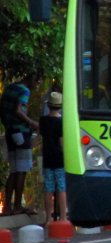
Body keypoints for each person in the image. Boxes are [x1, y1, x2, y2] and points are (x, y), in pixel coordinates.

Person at [0, 75, 40, 216]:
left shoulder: (9, 88)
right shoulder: (24, 91)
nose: (38, 84)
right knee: (22, 170)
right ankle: (17, 206)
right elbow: (19, 110)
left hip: (10, 132)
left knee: (14, 170)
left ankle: (7, 208)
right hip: (22, 133)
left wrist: (8, 126)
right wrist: (31, 123)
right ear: (31, 79)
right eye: (37, 81)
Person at [39, 92, 67, 224]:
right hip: (59, 159)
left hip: (47, 158)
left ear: (49, 106)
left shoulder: (43, 121)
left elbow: (40, 138)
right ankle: (63, 217)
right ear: (60, 106)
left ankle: (48, 218)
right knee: (61, 187)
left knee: (48, 188)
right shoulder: (61, 122)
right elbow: (61, 142)